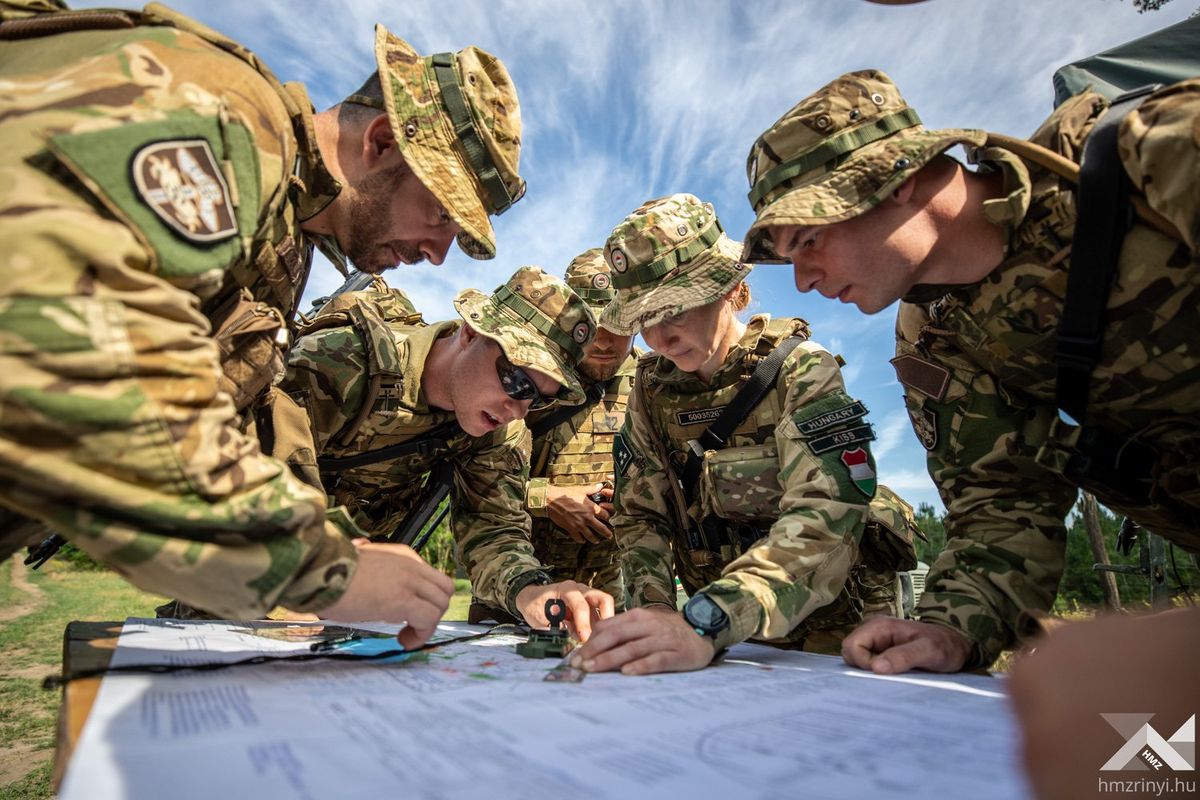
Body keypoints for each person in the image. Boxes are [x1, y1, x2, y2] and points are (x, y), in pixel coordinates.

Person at [0, 0, 525, 647]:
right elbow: (80, 345)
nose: (437, 253)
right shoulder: (226, 114)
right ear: (382, 141)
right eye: (442, 215)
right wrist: (320, 566)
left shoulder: (283, 237)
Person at [741, 70, 1199, 673]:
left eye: (806, 240)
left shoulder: (1157, 155)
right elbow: (1002, 504)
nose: (802, 280)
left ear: (895, 179)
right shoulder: (934, 335)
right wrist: (951, 629)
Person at [570, 193, 918, 675]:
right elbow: (639, 516)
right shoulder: (650, 390)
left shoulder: (799, 369)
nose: (660, 338)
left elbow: (827, 511)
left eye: (677, 309)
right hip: (722, 634)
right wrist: (655, 610)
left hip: (835, 624)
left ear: (734, 291)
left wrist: (709, 621)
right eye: (644, 320)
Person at [282, 267, 615, 638]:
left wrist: (530, 590)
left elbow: (494, 530)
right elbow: (253, 485)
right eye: (517, 381)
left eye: (538, 398)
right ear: (471, 332)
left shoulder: (499, 431)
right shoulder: (341, 363)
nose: (518, 409)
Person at [514, 249, 639, 614]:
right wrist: (547, 496)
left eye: (618, 327)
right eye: (590, 327)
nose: (602, 341)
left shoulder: (655, 383)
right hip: (519, 588)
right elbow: (478, 483)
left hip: (609, 596)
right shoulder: (529, 376)